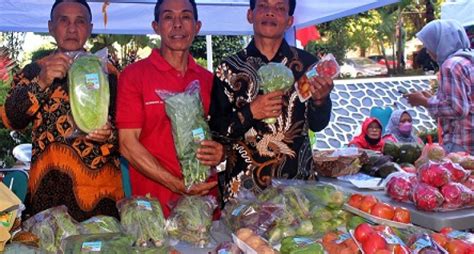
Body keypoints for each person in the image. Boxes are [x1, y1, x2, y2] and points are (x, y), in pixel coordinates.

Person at [1, 0, 123, 221]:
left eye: (80, 21)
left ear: (90, 27)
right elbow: (11, 119)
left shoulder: (109, 73)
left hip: (101, 199)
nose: (72, 28)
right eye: (63, 20)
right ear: (50, 26)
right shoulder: (34, 69)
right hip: (47, 198)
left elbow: (131, 134)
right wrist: (40, 82)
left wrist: (111, 135)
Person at [209, 0, 333, 202]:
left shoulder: (307, 65)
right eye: (263, 6)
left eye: (279, 8)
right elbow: (216, 130)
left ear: (290, 20)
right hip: (244, 190)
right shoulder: (229, 68)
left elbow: (318, 124)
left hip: (297, 186)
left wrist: (321, 101)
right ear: (250, 14)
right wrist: (251, 112)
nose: (270, 13)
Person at [116, 0, 224, 217]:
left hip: (205, 205)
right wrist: (176, 184)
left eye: (185, 17)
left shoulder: (209, 80)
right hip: (155, 210)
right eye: (168, 17)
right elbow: (127, 145)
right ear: (156, 26)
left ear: (197, 26)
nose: (177, 25)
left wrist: (221, 152)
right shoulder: (134, 76)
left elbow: (222, 136)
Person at [405, 20, 473, 155]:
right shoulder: (468, 59)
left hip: (461, 144)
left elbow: (457, 109)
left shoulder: (451, 66)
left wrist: (423, 101)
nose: (427, 51)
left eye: (428, 45)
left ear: (439, 43)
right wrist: (434, 99)